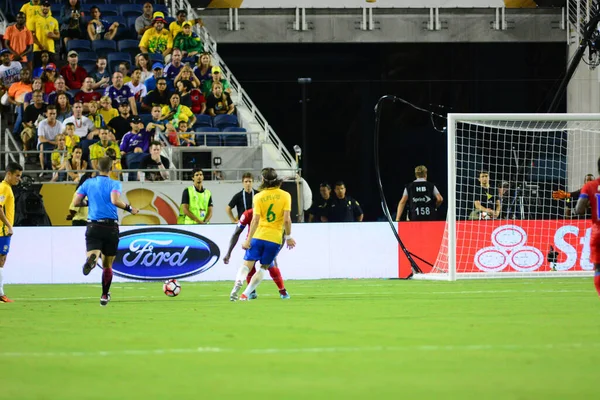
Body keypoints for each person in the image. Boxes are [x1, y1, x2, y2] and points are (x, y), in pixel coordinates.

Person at [74, 156, 139, 306]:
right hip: (110, 227)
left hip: (93, 225)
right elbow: (115, 200)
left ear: (97, 166)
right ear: (111, 168)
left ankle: (92, 260)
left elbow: (76, 202)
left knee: (94, 254)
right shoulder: (114, 183)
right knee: (108, 265)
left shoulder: (88, 183)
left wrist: (89, 202)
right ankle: (104, 295)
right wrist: (130, 208)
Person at [229, 167, 296, 302]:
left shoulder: (258, 196)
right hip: (274, 238)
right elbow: (287, 219)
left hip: (258, 236)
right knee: (264, 267)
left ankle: (238, 283)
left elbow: (255, 220)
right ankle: (245, 294)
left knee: (247, 264)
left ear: (263, 180)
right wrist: (288, 237)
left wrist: (248, 240)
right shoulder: (285, 195)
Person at [223, 207, 289, 300]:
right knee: (268, 266)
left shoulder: (248, 213)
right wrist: (276, 252)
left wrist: (229, 253)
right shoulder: (274, 213)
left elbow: (236, 233)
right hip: (270, 241)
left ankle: (247, 289)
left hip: (253, 242)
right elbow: (283, 234)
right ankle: (282, 291)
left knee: (248, 267)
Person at [575, 158, 600, 298]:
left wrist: (590, 205)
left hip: (598, 233)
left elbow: (579, 210)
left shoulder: (590, 186)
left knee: (598, 268)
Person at [0, 162, 23, 303]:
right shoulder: (4, 188)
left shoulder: (6, 188)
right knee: (1, 260)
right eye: (17, 175)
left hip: (2, 230)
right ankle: (1, 293)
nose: (18, 179)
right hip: (2, 230)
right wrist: (9, 225)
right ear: (9, 174)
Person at [30, 1, 60, 67]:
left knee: (52, 71)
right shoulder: (34, 19)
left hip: (50, 49)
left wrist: (53, 35)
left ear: (50, 7)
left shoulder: (54, 20)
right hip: (38, 49)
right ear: (41, 6)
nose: (45, 8)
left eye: (47, 6)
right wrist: (39, 44)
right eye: (44, 6)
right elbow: (31, 35)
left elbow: (58, 36)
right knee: (37, 71)